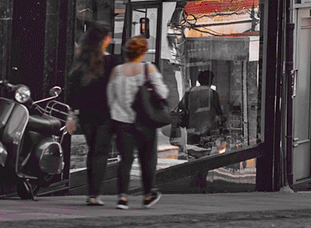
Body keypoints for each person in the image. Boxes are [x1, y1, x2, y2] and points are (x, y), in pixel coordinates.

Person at [107, 36, 168, 210]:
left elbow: (111, 97)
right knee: (147, 159)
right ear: (143, 52)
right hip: (145, 122)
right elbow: (162, 93)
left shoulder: (117, 71)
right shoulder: (149, 69)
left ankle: (122, 198)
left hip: (122, 121)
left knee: (125, 160)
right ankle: (148, 194)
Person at [65, 24, 122, 206]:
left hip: (87, 114)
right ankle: (94, 194)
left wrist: (71, 115)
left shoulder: (81, 62)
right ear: (105, 40)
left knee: (93, 152)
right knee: (101, 152)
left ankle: (92, 193)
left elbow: (73, 92)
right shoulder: (113, 62)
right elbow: (117, 89)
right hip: (107, 114)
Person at [176, 70, 225, 148]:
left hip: (191, 128)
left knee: (193, 151)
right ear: (210, 80)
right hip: (207, 129)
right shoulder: (212, 93)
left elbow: (181, 106)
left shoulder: (189, 91)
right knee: (206, 152)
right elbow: (219, 112)